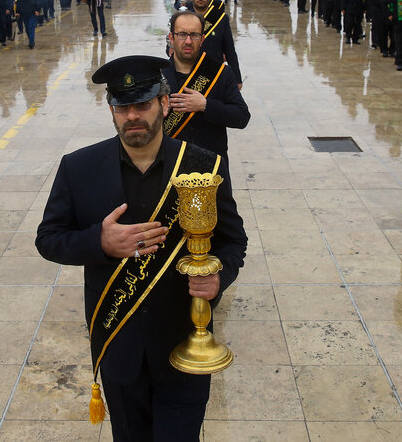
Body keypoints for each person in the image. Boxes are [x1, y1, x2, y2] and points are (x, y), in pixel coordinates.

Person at [35, 55, 247, 441]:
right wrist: (97, 241)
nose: (133, 116)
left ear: (164, 104)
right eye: (122, 107)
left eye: (143, 104)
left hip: (185, 343)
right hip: (119, 346)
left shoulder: (202, 164)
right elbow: (48, 238)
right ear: (111, 110)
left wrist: (220, 276)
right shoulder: (78, 167)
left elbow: (234, 240)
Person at [162, 11, 249, 171]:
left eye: (194, 35)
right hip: (170, 168)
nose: (188, 41)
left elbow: (242, 117)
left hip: (211, 169)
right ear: (172, 38)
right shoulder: (157, 76)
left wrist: (206, 105)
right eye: (182, 35)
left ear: (202, 39)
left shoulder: (220, 73)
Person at [184, 0, 242, 86]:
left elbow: (230, 50)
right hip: (189, 75)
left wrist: (237, 79)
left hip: (215, 74)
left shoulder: (221, 18)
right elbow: (172, 46)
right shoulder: (183, 17)